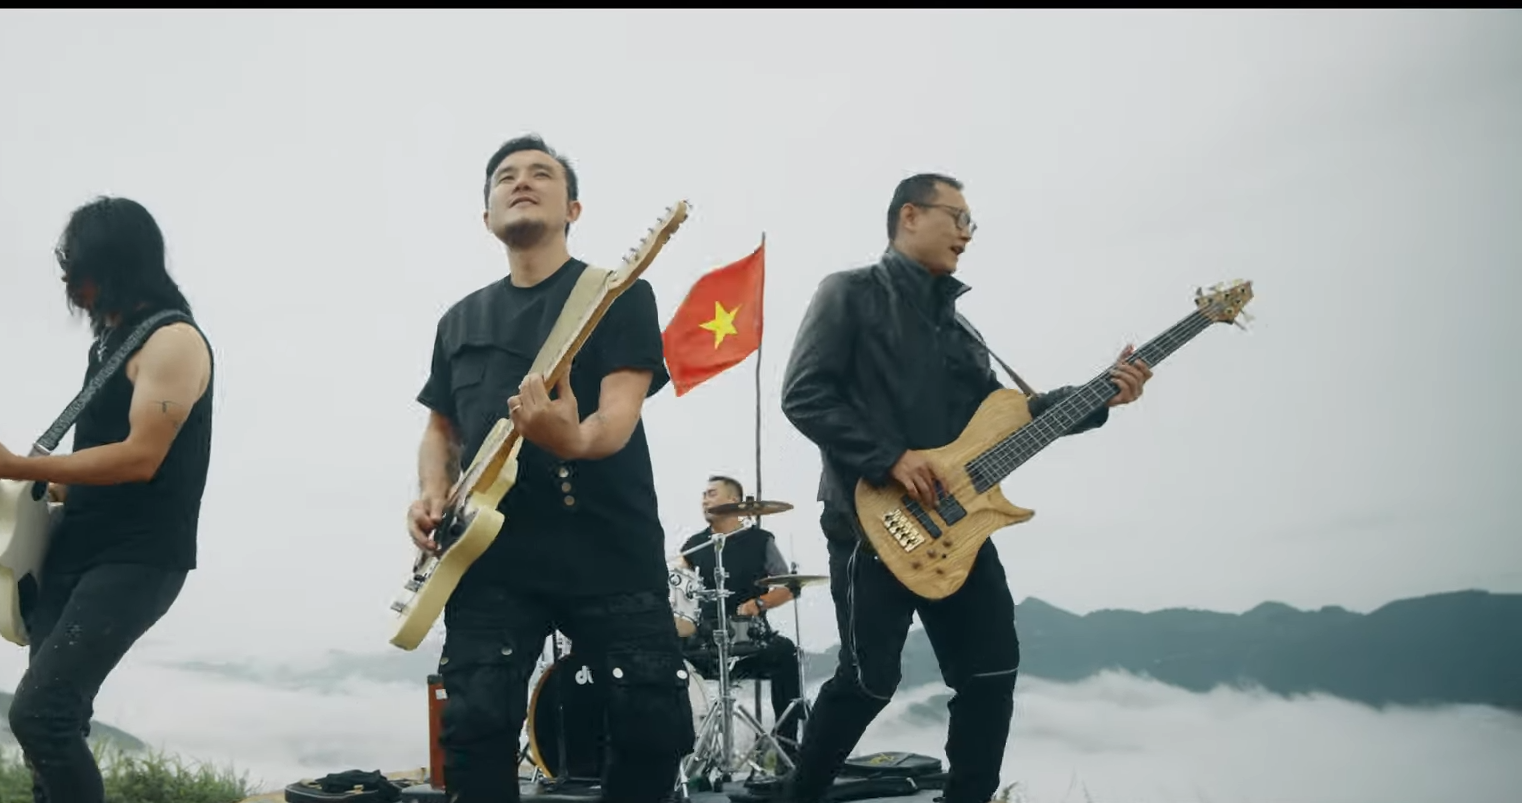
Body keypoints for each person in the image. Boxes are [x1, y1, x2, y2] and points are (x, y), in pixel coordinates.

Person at [775, 174, 1153, 803]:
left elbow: (1012, 418)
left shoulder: (963, 331)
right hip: (869, 523)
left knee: (991, 671)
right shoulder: (848, 293)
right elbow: (803, 394)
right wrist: (889, 458)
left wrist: (1102, 394)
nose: (967, 234)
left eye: (971, 223)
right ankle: (800, 795)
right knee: (868, 682)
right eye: (958, 218)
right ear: (910, 215)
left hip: (959, 528)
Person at [406, 134, 695, 801]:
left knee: (652, 726)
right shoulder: (458, 321)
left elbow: (616, 418)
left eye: (541, 173)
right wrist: (432, 493)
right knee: (474, 728)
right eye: (505, 176)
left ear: (574, 209)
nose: (521, 181)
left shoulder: (620, 294)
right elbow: (440, 428)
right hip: (491, 554)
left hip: (609, 543)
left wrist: (572, 438)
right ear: (486, 215)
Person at [0, 196, 215, 803]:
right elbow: (101, 462)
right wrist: (30, 486)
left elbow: (141, 457)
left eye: (79, 272)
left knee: (40, 717)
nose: (71, 287)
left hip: (138, 558)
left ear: (117, 266)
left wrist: (14, 464)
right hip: (76, 546)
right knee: (55, 725)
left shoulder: (173, 342)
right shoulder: (112, 345)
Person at [676, 475, 806, 749]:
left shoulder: (759, 540)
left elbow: (789, 586)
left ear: (733, 500)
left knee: (786, 654)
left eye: (712, 493)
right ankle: (683, 751)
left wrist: (758, 604)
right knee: (664, 659)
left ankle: (787, 745)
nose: (704, 500)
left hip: (748, 639)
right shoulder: (694, 546)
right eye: (703, 495)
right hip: (703, 642)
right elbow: (676, 591)